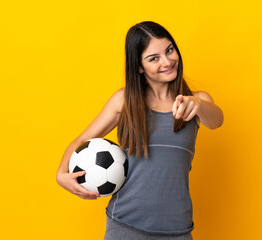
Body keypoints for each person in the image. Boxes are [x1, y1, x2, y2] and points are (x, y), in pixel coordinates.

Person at [56, 21, 224, 240]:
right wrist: (61, 174)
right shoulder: (124, 101)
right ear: (139, 67)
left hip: (177, 228)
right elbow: (82, 140)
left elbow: (217, 121)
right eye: (154, 58)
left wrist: (198, 106)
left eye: (169, 50)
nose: (167, 61)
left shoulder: (197, 101)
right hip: (125, 225)